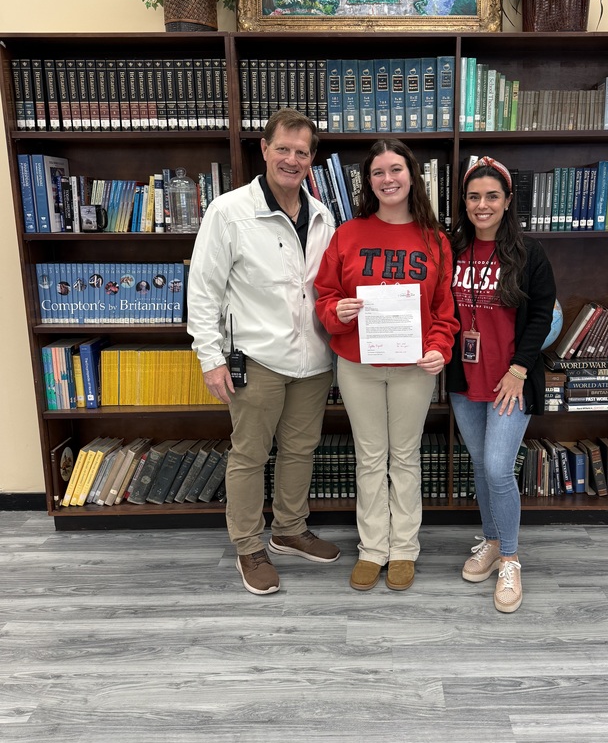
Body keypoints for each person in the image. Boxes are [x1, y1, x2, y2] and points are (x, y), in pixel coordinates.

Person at [187, 108, 340, 597]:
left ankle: (289, 530)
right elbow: (204, 289)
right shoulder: (229, 211)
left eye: (301, 151)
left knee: (300, 448)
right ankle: (248, 545)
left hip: (314, 359)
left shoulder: (323, 216)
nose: (291, 159)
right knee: (250, 454)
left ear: (311, 159)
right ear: (265, 149)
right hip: (256, 358)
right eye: (283, 149)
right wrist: (210, 357)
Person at [315, 139, 458, 592]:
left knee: (405, 456)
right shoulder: (348, 234)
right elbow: (325, 296)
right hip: (358, 365)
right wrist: (336, 313)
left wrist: (439, 348)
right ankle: (373, 548)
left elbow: (444, 310)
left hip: (415, 368)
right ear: (369, 182)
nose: (388, 179)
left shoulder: (434, 239)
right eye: (378, 172)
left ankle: (404, 549)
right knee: (370, 457)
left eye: (396, 169)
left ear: (412, 176)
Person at [447, 156, 556, 613]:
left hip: (510, 380)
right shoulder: (451, 250)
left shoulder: (530, 253)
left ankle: (510, 559)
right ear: (465, 203)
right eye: (474, 196)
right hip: (464, 379)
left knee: (497, 468)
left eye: (492, 196)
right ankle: (491, 542)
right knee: (478, 463)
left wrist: (518, 370)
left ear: (508, 201)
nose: (482, 204)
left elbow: (541, 317)